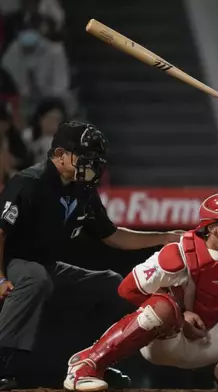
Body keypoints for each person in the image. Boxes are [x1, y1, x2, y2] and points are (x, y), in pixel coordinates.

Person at [63, 191, 218, 392]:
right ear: (211, 227)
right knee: (163, 306)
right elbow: (127, 289)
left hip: (212, 337)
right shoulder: (178, 254)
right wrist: (181, 314)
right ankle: (87, 363)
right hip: (167, 341)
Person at [0, 121, 181, 390]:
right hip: (13, 262)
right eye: (85, 158)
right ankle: (4, 365)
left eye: (96, 160)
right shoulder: (28, 183)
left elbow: (112, 236)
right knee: (36, 277)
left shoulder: (82, 189)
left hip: (48, 266)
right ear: (60, 155)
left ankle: (91, 363)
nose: (92, 165)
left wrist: (164, 237)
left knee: (112, 284)